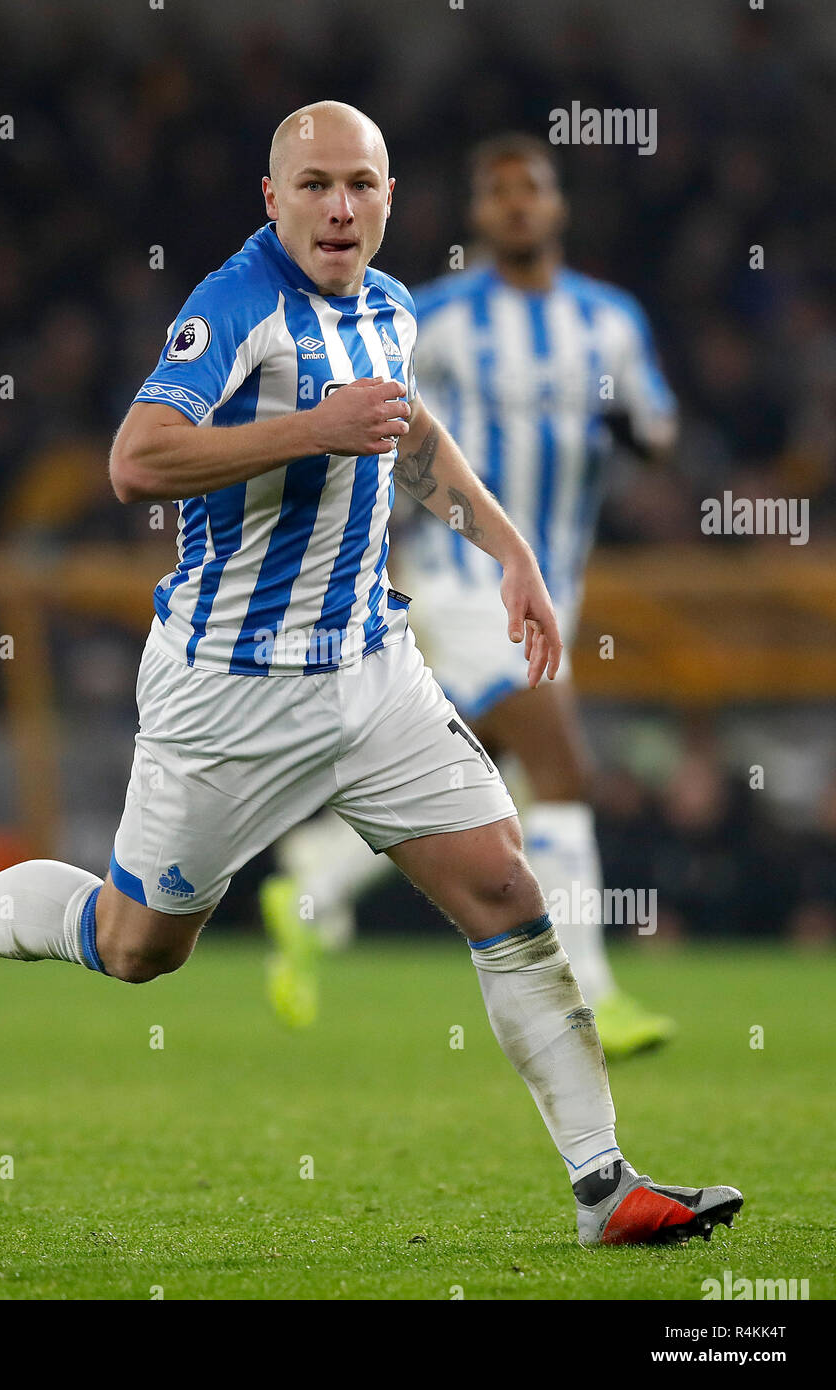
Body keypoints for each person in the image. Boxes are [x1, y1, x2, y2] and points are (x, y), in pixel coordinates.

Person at [0, 102, 740, 1247]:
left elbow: (407, 438)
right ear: (273, 199)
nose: (340, 206)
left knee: (505, 886)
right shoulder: (234, 304)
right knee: (136, 948)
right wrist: (313, 427)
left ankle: (606, 1188)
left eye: (361, 184)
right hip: (226, 688)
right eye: (314, 184)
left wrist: (507, 549)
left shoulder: (393, 305)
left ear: (390, 198)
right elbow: (136, 458)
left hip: (370, 670)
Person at [263, 133, 677, 1057]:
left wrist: (633, 427)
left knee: (478, 770)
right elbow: (383, 421)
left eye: (531, 189)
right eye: (498, 193)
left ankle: (316, 877)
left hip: (550, 585)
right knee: (561, 763)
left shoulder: (609, 320)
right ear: (478, 215)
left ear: (557, 204)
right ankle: (593, 1000)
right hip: (457, 577)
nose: (517, 205)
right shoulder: (440, 317)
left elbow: (658, 427)